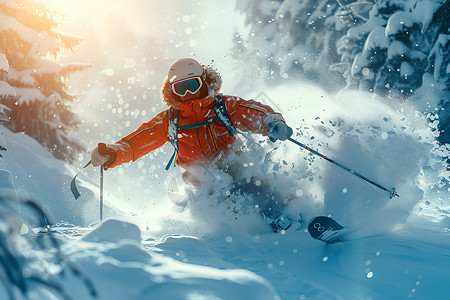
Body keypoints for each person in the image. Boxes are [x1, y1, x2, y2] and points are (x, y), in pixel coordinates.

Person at [91, 58, 293, 231]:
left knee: (254, 187)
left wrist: (272, 124)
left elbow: (253, 112)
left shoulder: (223, 107)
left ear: (204, 82)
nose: (187, 93)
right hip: (199, 182)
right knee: (201, 202)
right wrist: (113, 154)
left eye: (192, 85)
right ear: (172, 91)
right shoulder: (170, 120)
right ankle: (215, 238)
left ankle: (289, 219)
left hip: (236, 169)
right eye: (181, 88)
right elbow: (135, 143)